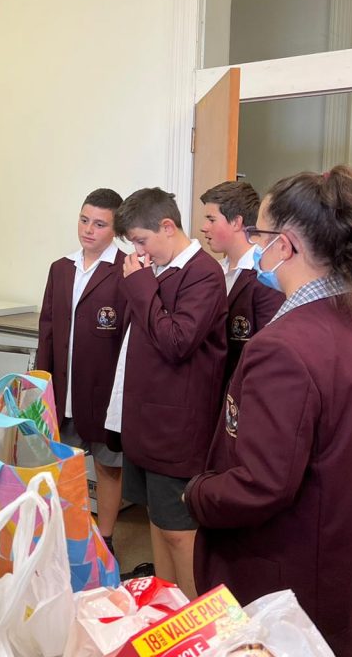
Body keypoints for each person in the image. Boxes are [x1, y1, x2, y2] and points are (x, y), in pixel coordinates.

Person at [185, 166, 352, 657]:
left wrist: (197, 494)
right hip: (351, 568)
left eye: (259, 234)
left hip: (296, 583)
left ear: (284, 245)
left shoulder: (284, 347)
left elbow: (262, 483)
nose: (254, 246)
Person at [107, 188, 227, 598]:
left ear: (167, 226)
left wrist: (140, 284)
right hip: (147, 420)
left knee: (179, 531)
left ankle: (196, 615)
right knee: (156, 523)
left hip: (177, 426)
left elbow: (177, 341)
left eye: (141, 241)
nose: (138, 251)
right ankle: (167, 606)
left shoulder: (202, 273)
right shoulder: (156, 269)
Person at [36, 188, 127, 553]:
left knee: (108, 466)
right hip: (64, 387)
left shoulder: (126, 269)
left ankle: (105, 539)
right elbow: (47, 330)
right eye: (84, 220)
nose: (89, 230)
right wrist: (41, 384)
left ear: (116, 228)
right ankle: (65, 535)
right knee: (63, 465)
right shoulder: (61, 268)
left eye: (100, 224)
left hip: (103, 390)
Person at [199, 181, 284, 387]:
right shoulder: (215, 270)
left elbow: (268, 349)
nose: (203, 227)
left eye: (211, 219)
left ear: (236, 222)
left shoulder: (265, 274)